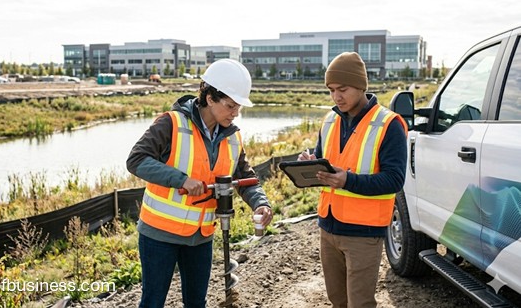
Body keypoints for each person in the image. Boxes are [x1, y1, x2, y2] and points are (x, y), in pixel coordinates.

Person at [126, 58, 273, 308]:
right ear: (210, 98)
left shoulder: (233, 137)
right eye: (230, 105)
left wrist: (260, 202)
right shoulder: (171, 123)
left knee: (196, 303)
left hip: (201, 235)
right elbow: (136, 160)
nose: (235, 113)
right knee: (152, 302)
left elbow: (245, 178)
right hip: (160, 234)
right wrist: (181, 180)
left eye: (239, 107)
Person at [298, 52, 407, 308]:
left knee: (360, 303)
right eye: (331, 90)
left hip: (364, 233)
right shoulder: (330, 119)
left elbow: (394, 180)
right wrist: (311, 163)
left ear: (361, 86)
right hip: (329, 228)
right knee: (338, 301)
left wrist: (347, 180)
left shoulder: (388, 124)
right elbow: (326, 162)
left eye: (343, 89)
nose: (336, 96)